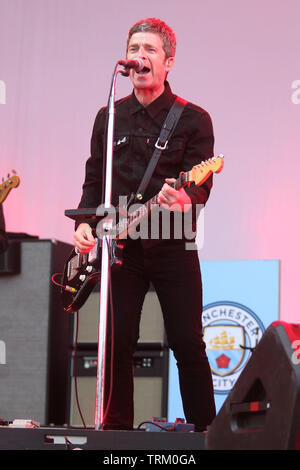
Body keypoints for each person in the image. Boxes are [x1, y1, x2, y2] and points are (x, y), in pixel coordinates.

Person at [73, 18, 216, 431]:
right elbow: (94, 178)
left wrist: (185, 197)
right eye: (134, 48)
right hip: (121, 247)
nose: (140, 57)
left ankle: (207, 433)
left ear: (168, 62)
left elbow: (201, 188)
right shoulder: (109, 116)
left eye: (150, 50)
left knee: (188, 342)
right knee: (117, 344)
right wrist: (84, 223)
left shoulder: (193, 119)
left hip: (172, 241)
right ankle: (116, 435)